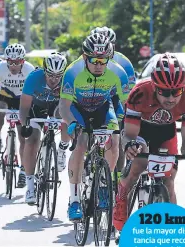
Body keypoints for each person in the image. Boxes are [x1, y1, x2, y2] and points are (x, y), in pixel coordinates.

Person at [113, 53, 185, 232]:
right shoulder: (139, 93)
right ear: (154, 87)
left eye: (176, 92)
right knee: (137, 167)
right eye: (164, 92)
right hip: (140, 130)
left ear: (183, 88)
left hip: (166, 133)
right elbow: (129, 135)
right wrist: (130, 146)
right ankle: (122, 195)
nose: (171, 98)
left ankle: (170, 230)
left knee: (169, 181)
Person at [59, 33, 129, 221]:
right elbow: (63, 106)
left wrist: (127, 124)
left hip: (103, 108)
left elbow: (128, 103)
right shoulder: (73, 71)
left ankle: (104, 188)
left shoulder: (118, 72)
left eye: (103, 60)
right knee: (81, 144)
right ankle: (74, 199)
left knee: (114, 142)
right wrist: (72, 123)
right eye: (94, 60)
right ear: (84, 57)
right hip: (77, 109)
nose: (99, 65)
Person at [18, 52, 70, 204]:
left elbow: (69, 106)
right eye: (50, 75)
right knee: (32, 141)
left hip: (57, 106)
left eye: (58, 76)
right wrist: (25, 125)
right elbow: (24, 107)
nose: (54, 80)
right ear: (44, 71)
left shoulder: (68, 80)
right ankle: (30, 187)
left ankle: (62, 149)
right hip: (36, 107)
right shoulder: (34, 77)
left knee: (65, 116)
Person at [0, 43, 36, 188]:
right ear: (6, 60)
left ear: (23, 61)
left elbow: (34, 92)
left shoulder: (30, 69)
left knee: (23, 137)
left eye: (17, 62)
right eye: (10, 62)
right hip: (5, 95)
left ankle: (23, 169)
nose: (13, 66)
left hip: (22, 98)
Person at [91, 26, 136, 181]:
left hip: (115, 100)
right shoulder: (86, 61)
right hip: (93, 99)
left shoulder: (124, 62)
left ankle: (116, 176)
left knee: (119, 135)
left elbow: (130, 94)